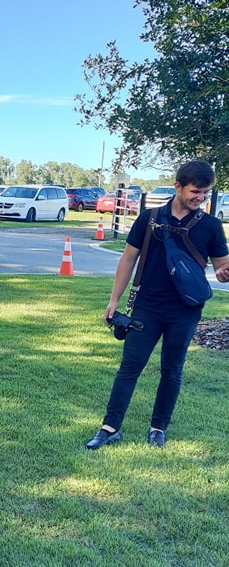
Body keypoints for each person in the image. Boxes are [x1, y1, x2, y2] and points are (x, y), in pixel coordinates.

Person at [86, 160, 229, 450]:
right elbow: (128, 259)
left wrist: (225, 274)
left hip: (185, 310)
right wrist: (114, 300)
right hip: (147, 306)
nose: (200, 198)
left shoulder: (212, 226)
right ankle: (109, 428)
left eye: (205, 193)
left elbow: (222, 268)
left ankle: (158, 428)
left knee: (172, 370)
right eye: (195, 192)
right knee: (129, 367)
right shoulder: (149, 218)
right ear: (178, 186)